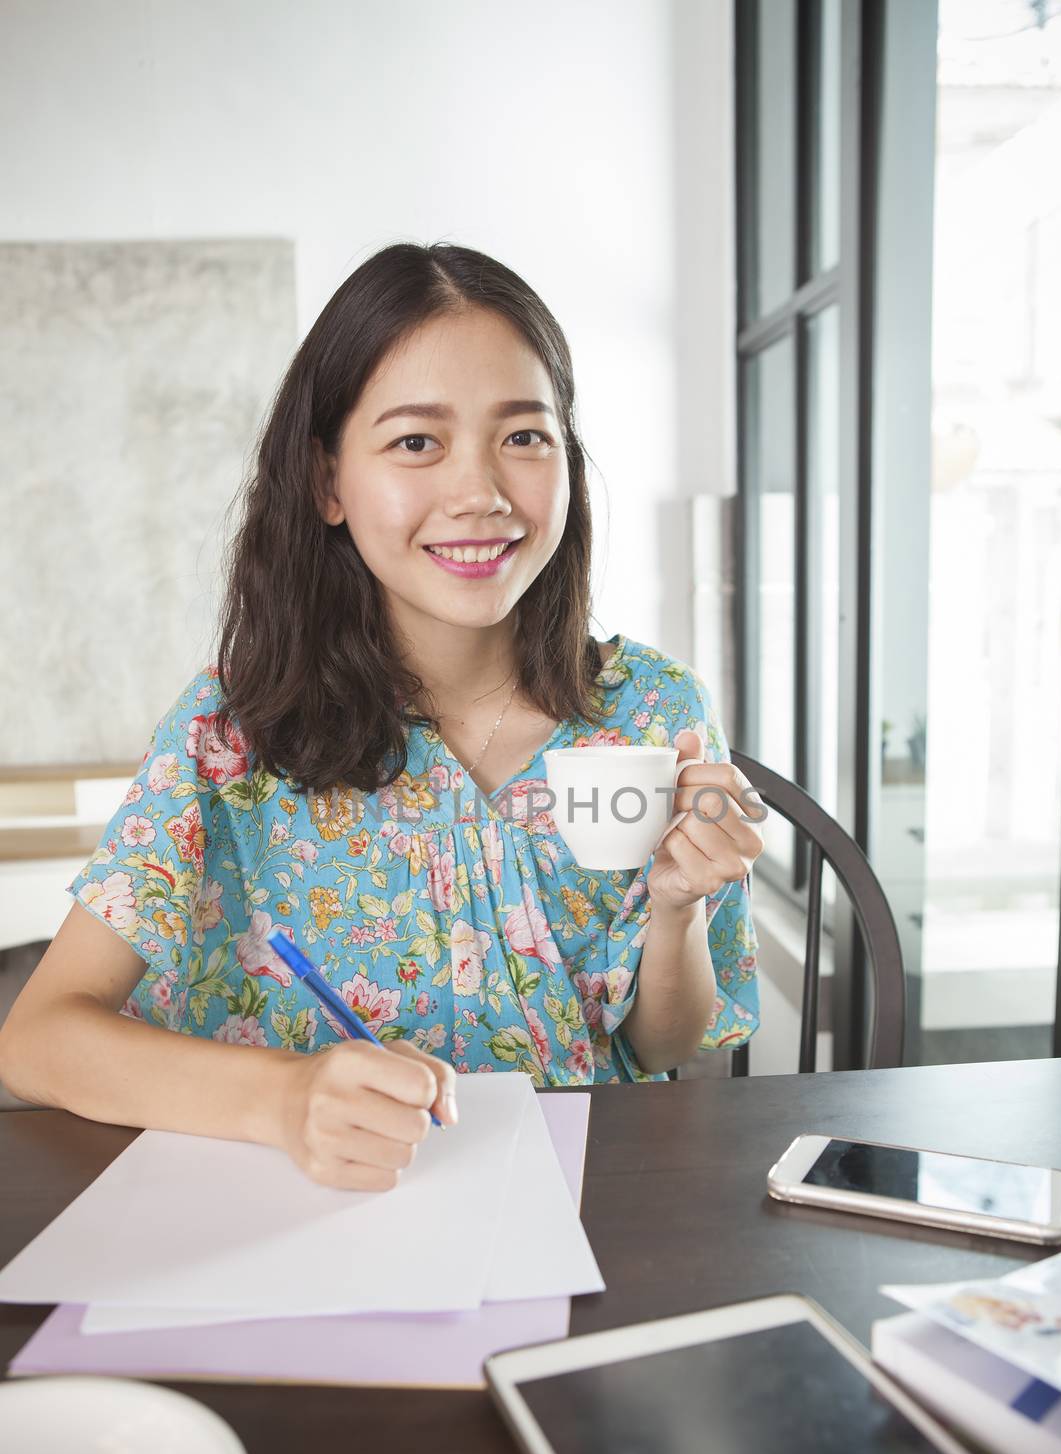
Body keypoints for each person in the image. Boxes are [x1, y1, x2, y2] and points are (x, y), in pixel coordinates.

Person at [0, 241, 763, 1190]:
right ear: (327, 481)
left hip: (578, 1200)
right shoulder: (232, 730)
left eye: (524, 436)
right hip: (288, 1215)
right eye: (416, 442)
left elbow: (660, 1043)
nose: (481, 494)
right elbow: (36, 1039)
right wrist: (282, 1098)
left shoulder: (653, 710)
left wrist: (675, 907)